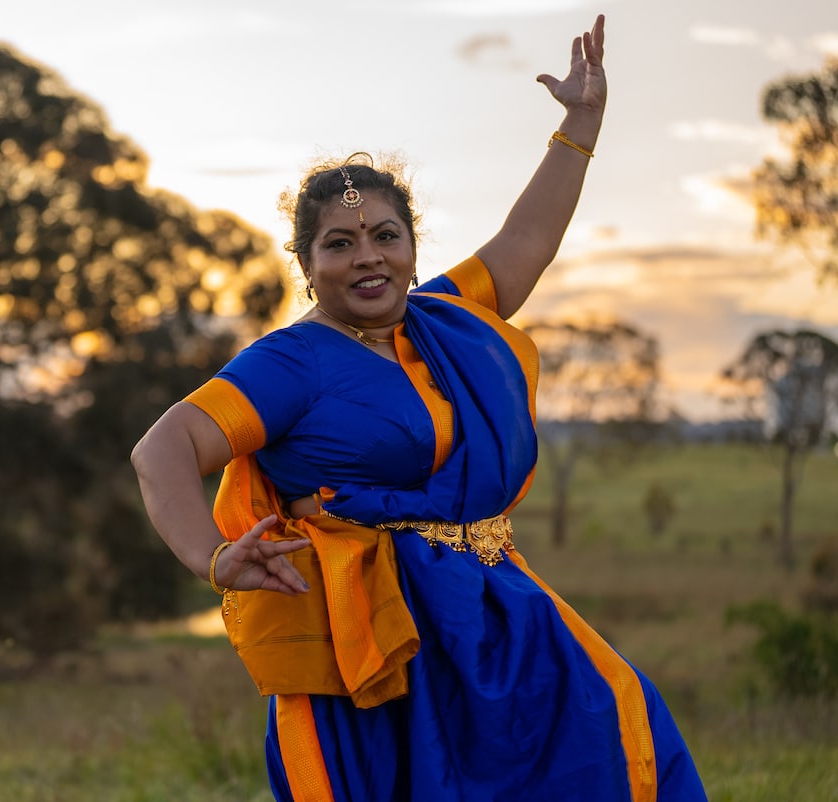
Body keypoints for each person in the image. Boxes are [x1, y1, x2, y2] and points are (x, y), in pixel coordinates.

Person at [131, 14, 706, 801]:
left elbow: (526, 240)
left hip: (492, 610)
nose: (367, 256)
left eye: (385, 236)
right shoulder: (288, 365)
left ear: (411, 244)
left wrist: (580, 124)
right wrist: (213, 557)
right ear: (307, 265)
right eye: (339, 243)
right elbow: (162, 449)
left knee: (615, 735)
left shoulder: (441, 320)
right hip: (374, 636)